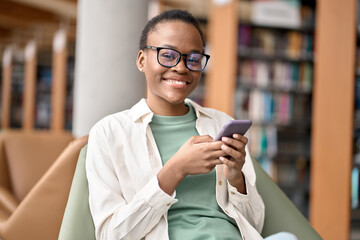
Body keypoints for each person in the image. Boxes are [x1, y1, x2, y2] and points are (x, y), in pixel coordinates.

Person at [86, 9, 297, 240]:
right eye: (167, 55)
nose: (181, 67)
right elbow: (110, 235)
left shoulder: (220, 123)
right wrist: (175, 169)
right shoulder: (109, 134)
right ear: (141, 60)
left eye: (194, 59)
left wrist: (236, 177)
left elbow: (254, 225)